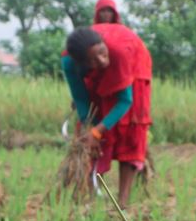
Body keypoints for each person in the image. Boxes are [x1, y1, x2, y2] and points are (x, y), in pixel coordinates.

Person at [62, 21, 152, 207]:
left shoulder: (117, 54)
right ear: (82, 63)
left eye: (102, 53)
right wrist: (90, 128)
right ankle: (91, 199)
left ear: (104, 44)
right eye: (94, 60)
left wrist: (97, 132)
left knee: (129, 131)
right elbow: (81, 98)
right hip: (96, 69)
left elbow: (125, 101)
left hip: (133, 61)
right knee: (93, 134)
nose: (103, 61)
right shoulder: (69, 62)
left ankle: (122, 203)